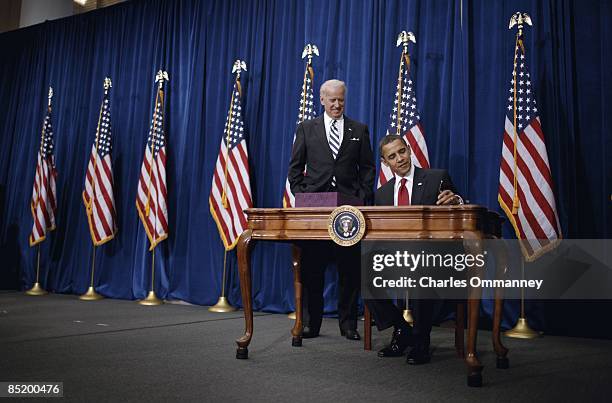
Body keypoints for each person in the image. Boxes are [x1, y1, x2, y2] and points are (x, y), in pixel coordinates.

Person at [288, 79, 375, 341]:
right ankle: (311, 324)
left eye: (341, 100)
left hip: (349, 213)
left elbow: (368, 169)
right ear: (322, 100)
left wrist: (361, 196)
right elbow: (294, 170)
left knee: (349, 271)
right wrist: (305, 197)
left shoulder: (359, 129)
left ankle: (348, 324)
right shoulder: (306, 128)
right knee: (312, 270)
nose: (337, 105)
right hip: (315, 214)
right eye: (332, 100)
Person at [365, 134, 463, 364]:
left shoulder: (435, 178)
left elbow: (460, 207)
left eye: (402, 151)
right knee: (363, 275)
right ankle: (402, 330)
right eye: (392, 156)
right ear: (385, 162)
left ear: (409, 149)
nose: (399, 159)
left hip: (432, 258)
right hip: (396, 259)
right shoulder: (382, 194)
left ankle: (420, 340)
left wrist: (456, 200)